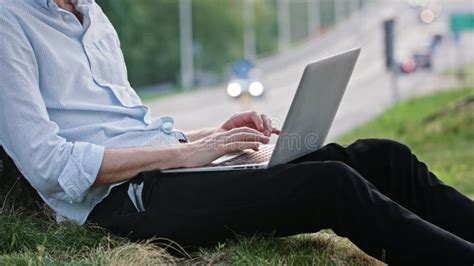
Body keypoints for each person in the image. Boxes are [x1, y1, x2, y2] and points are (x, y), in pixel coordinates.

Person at [0, 0, 472, 265]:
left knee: (380, 155)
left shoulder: (95, 16)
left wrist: (211, 136)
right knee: (332, 185)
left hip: (168, 171)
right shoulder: (10, 23)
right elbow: (48, 166)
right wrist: (184, 156)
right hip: (125, 202)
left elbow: (128, 126)